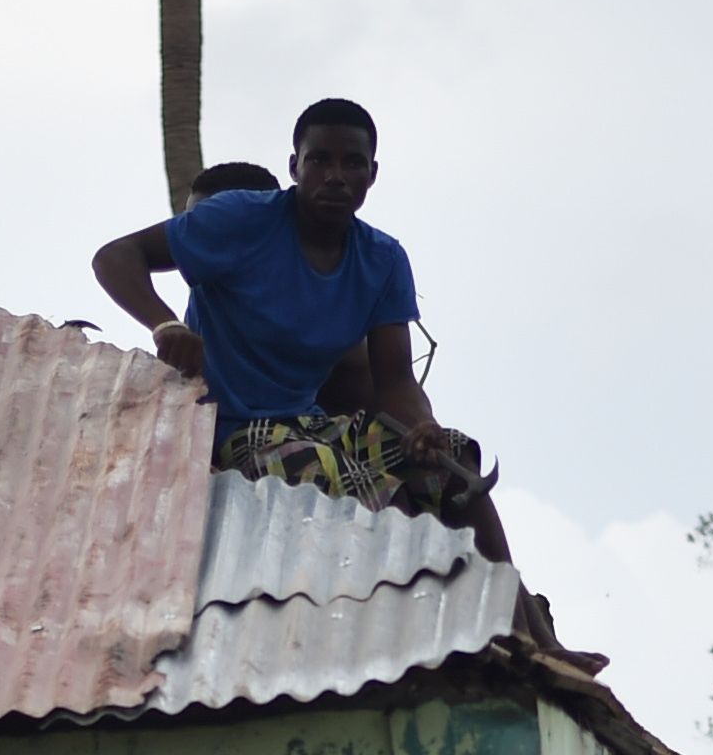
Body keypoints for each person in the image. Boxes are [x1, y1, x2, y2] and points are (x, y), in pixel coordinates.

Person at [90, 100, 508, 559]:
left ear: (372, 174)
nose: (335, 175)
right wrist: (165, 324)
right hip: (237, 431)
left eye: (353, 163)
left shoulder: (384, 260)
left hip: (312, 423)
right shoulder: (241, 219)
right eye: (320, 159)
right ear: (294, 166)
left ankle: (514, 616)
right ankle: (410, 599)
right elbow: (115, 256)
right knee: (368, 490)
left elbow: (396, 383)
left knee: (451, 458)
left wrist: (422, 425)